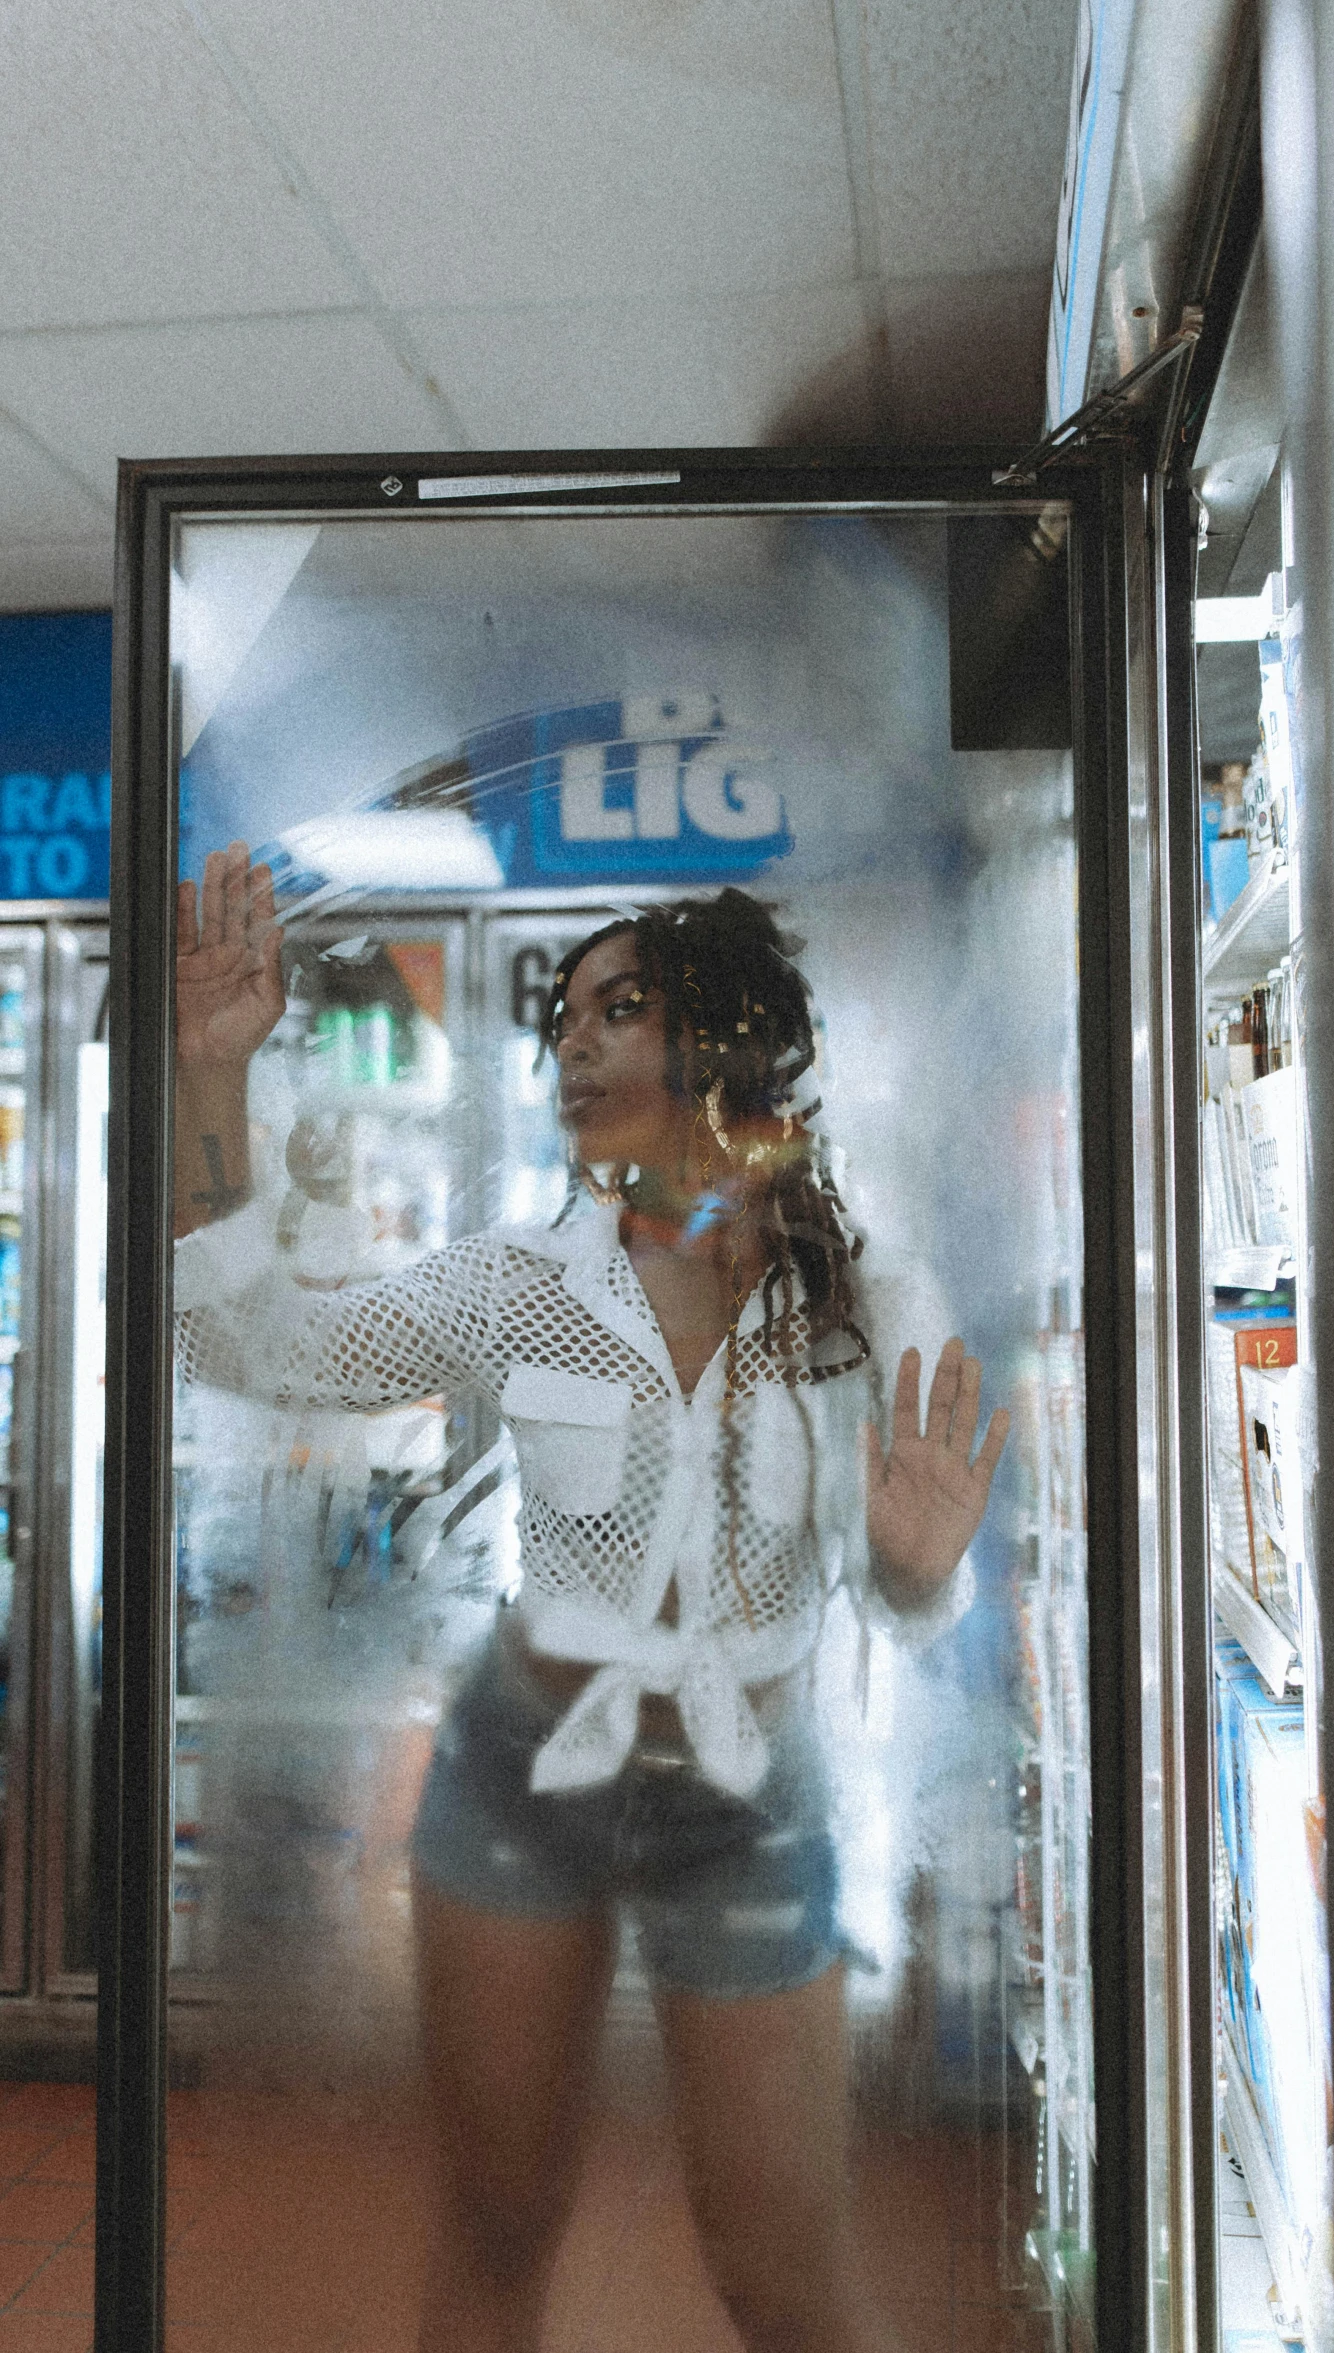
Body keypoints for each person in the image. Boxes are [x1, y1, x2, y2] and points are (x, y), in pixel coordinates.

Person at [173, 841, 1009, 2353]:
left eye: (612, 1009)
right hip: (521, 1772)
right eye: (559, 1021)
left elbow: (906, 1605)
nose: (570, 1042)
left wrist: (910, 1568)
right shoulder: (514, 1283)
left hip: (752, 1797)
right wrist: (210, 1074)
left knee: (783, 2279)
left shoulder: (864, 1300)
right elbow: (247, 1349)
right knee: (498, 2237)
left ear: (723, 1037)